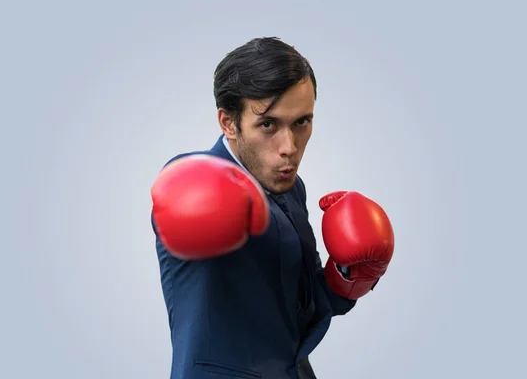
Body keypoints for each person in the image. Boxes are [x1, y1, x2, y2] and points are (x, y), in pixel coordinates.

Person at [150, 37, 395, 379]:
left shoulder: (292, 190)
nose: (289, 147)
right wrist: (198, 195)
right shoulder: (197, 183)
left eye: (301, 122)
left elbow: (301, 310)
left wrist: (348, 277)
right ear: (228, 123)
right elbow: (179, 196)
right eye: (268, 124)